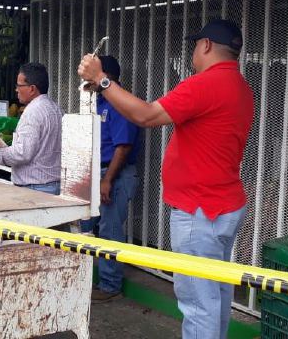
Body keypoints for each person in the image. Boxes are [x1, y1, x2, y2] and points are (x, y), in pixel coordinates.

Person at [78, 19, 254, 339]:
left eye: (194, 46)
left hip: (200, 209)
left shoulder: (205, 84)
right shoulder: (240, 86)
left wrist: (102, 80)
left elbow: (145, 116)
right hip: (223, 205)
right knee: (215, 293)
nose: (192, 53)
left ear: (206, 46)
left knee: (198, 301)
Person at [85, 56, 140, 303]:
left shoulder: (119, 103)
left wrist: (107, 179)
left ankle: (109, 286)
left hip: (116, 175)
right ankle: (91, 280)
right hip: (100, 174)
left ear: (103, 73)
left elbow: (123, 146)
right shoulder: (99, 100)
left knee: (110, 232)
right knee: (88, 228)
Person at [0, 63, 63, 194]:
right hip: (53, 186)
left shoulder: (32, 112)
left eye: (19, 85)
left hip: (35, 188)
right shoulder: (56, 108)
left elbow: (21, 154)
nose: (16, 90)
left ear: (32, 89)